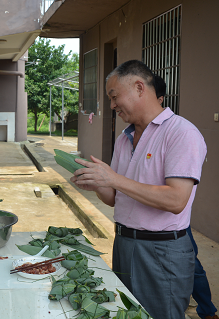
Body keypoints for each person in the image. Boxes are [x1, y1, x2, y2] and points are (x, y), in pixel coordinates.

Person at [71, 60, 207, 319]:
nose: (111, 105)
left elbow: (176, 199)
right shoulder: (125, 138)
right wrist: (97, 183)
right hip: (124, 243)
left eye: (114, 96)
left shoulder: (181, 133)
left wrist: (114, 179)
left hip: (161, 251)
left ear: (139, 87)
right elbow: (114, 198)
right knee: (127, 313)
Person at [153, 73, 218, 319]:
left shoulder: (180, 132)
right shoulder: (139, 133)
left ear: (158, 98)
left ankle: (208, 310)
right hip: (153, 224)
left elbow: (177, 195)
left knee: (192, 265)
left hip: (174, 220)